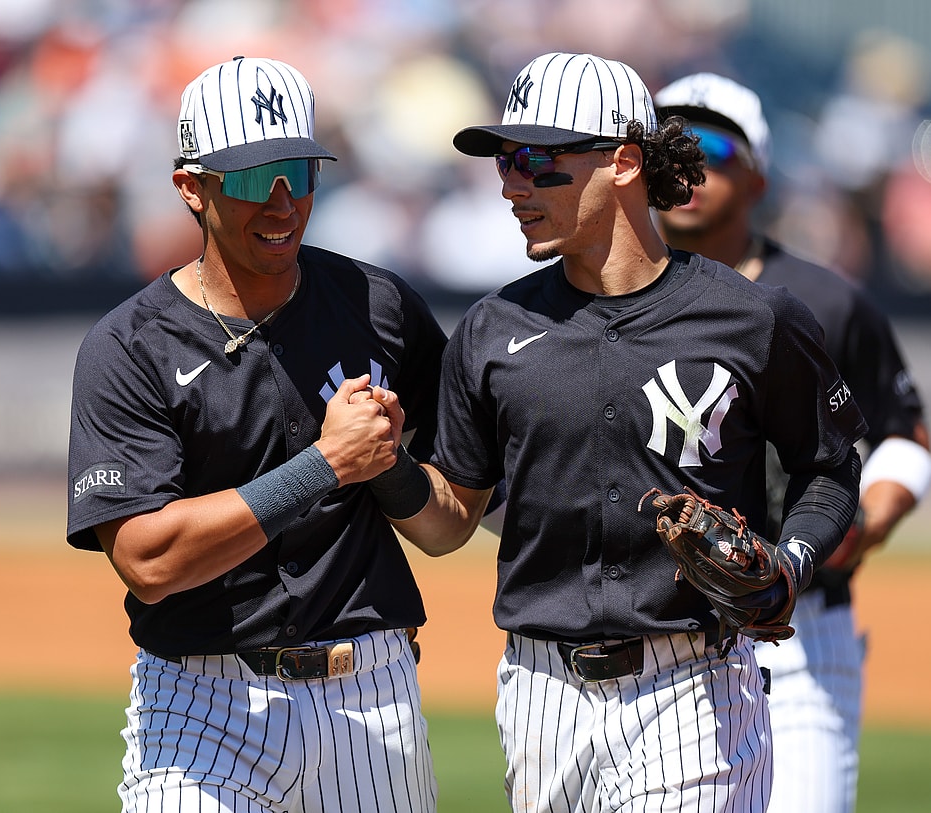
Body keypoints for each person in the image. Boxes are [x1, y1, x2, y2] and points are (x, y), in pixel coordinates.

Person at [375, 51, 868, 812]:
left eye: (539, 161)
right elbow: (448, 523)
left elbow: (830, 465)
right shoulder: (489, 330)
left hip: (694, 686)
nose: (511, 183)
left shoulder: (752, 317)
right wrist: (383, 466)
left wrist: (791, 565)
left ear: (626, 161)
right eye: (505, 161)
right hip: (538, 695)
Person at [66, 56, 448, 813]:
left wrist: (391, 467)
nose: (280, 203)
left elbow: (448, 517)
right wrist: (327, 464)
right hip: (201, 702)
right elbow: (147, 557)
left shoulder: (379, 304)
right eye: (248, 179)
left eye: (296, 173)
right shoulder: (131, 345)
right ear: (190, 189)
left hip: (368, 694)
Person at [653, 72, 931, 813]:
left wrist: (866, 525)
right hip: (657, 628)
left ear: (758, 174)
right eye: (668, 143)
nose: (688, 164)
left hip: (801, 631)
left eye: (711, 146)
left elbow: (907, 434)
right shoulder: (609, 299)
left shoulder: (828, 299)